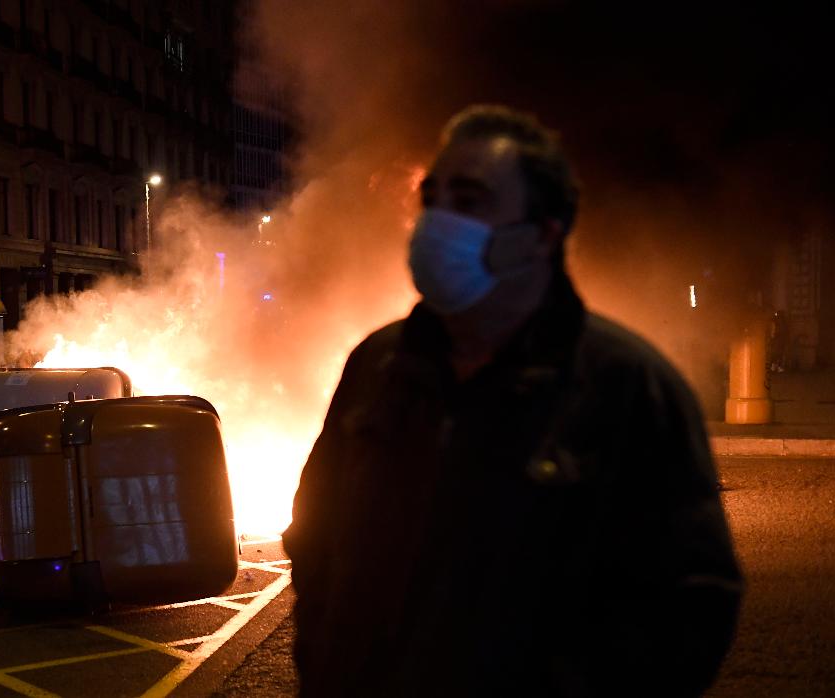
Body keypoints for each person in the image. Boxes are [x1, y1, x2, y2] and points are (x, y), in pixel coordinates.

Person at [284, 105, 742, 696]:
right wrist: (324, 667)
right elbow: (315, 534)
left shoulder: (627, 386)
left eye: (469, 200)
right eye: (433, 198)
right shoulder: (378, 365)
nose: (438, 220)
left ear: (542, 234)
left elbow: (693, 600)